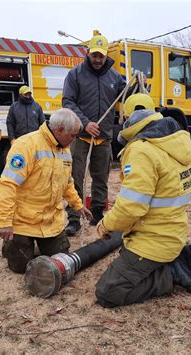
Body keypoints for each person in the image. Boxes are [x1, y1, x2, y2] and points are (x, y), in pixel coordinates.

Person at [94, 93, 191, 308]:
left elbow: (131, 207)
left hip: (151, 242)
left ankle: (173, 272)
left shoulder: (141, 150)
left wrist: (106, 225)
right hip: (174, 234)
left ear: (126, 118)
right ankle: (176, 258)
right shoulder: (177, 141)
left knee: (108, 292)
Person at [0, 108, 92, 274]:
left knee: (59, 262)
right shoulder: (26, 146)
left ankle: (38, 245)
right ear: (59, 130)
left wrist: (78, 205)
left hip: (50, 222)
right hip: (24, 222)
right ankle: (12, 246)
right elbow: (8, 184)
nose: (74, 139)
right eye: (72, 135)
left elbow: (67, 182)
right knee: (21, 268)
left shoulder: (65, 149)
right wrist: (4, 222)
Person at [62, 30, 127, 234]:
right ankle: (74, 219)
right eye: (94, 55)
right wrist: (85, 123)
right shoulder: (75, 74)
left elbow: (128, 95)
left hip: (104, 137)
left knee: (101, 178)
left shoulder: (116, 77)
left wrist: (136, 82)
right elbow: (68, 102)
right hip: (80, 137)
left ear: (107, 55)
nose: (98, 59)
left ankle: (97, 214)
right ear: (88, 53)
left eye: (101, 55)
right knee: (75, 178)